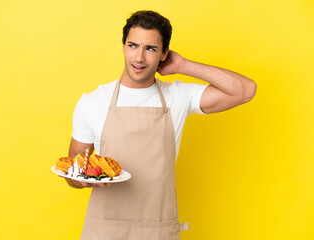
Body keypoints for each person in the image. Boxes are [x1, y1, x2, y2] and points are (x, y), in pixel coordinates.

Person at [64, 10, 256, 240]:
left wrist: (184, 65)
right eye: (133, 45)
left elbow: (245, 91)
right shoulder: (92, 101)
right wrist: (85, 181)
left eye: (151, 49)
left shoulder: (178, 96)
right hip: (104, 230)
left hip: (157, 230)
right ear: (124, 46)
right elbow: (73, 173)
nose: (139, 58)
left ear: (164, 53)